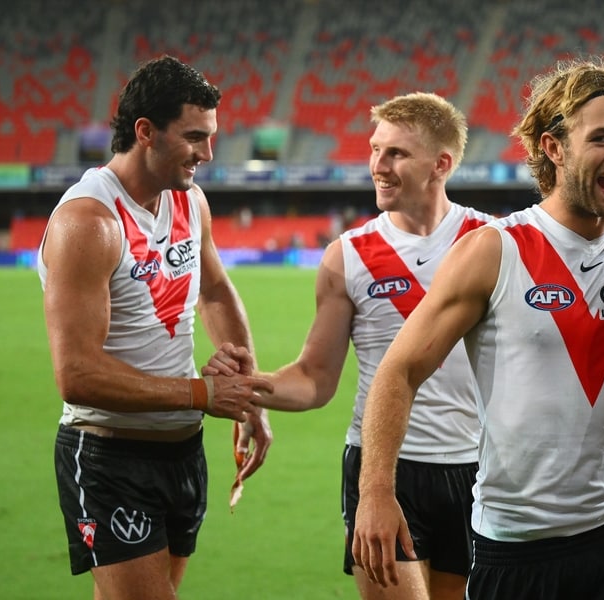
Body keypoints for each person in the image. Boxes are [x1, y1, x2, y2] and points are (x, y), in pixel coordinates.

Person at [350, 56, 604, 600]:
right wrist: (375, 490)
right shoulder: (496, 251)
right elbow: (399, 370)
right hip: (515, 548)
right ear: (553, 148)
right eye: (602, 138)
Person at [204, 92, 491, 600]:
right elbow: (315, 378)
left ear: (441, 164)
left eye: (396, 153)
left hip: (481, 469)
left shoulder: (489, 242)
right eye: (375, 150)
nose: (378, 166)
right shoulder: (349, 256)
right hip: (383, 469)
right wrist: (247, 388)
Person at [37, 55, 274, 600]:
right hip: (109, 456)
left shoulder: (189, 200)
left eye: (211, 137)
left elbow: (214, 289)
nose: (208, 154)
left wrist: (247, 393)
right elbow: (75, 374)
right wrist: (202, 393)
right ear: (145, 131)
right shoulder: (88, 223)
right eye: (195, 137)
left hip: (183, 454)